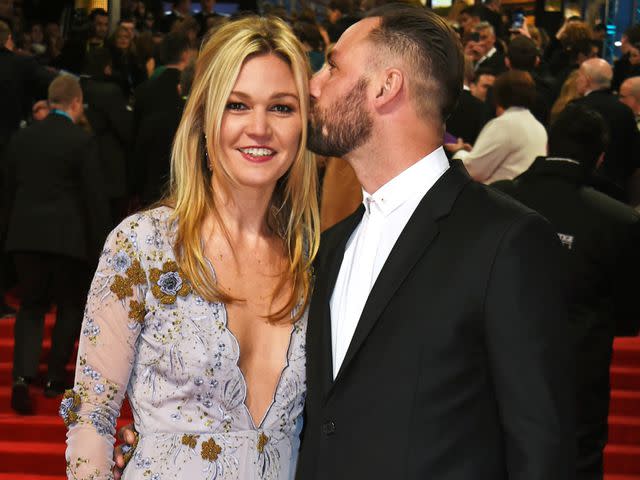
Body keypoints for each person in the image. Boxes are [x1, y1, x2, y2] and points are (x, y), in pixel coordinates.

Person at [298, 5, 573, 479]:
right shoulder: (333, 245)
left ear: (386, 86)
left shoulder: (506, 240)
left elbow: (541, 446)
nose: (313, 84)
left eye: (333, 65)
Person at [62, 16, 319, 480]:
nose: (259, 128)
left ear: (303, 124)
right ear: (202, 117)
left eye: (282, 108)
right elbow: (92, 418)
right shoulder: (143, 246)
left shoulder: (312, 262)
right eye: (237, 105)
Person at [492, 103, 640, 479]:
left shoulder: (495, 200)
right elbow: (627, 316)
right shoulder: (619, 221)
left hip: (491, 369)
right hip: (577, 379)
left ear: (547, 144)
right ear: (600, 158)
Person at [3, 75, 110, 413]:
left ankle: (21, 379)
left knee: (31, 308)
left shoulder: (21, 138)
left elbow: (7, 191)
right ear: (76, 103)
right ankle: (53, 380)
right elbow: (94, 199)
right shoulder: (82, 142)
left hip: (25, 238)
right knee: (68, 307)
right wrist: (103, 246)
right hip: (69, 239)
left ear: (50, 101)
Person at [447, 70, 547, 184]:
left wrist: (459, 152)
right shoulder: (539, 128)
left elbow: (473, 171)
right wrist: (474, 153)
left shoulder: (504, 124)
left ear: (498, 95)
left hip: (496, 196)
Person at [574, 57, 640, 203]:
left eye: (578, 75)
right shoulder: (624, 111)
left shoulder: (576, 108)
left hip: (578, 188)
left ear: (586, 80)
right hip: (616, 192)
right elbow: (633, 157)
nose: (576, 80)